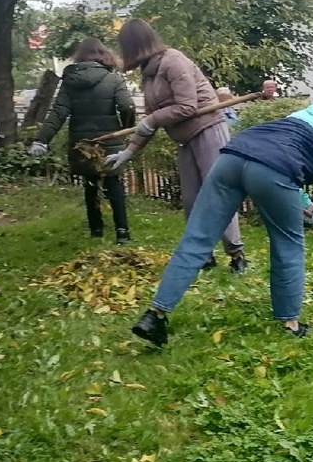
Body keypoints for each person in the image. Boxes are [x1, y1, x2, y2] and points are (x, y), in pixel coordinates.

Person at [129, 82, 313, 347]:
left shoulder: (300, 116)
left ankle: (154, 315)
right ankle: (290, 323)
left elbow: (282, 152)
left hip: (231, 158)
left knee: (197, 238)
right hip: (273, 172)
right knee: (287, 245)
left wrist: (306, 204)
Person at [106, 19, 248, 273]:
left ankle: (237, 255)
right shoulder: (148, 73)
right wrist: (129, 151)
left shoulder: (174, 61)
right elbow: (150, 120)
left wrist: (152, 119)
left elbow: (187, 106)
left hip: (208, 131)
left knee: (217, 195)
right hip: (184, 139)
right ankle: (202, 254)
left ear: (135, 45)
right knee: (192, 199)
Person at [30, 38, 136, 243]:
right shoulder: (113, 79)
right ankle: (122, 232)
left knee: (90, 184)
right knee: (113, 182)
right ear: (104, 54)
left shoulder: (70, 82)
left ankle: (96, 230)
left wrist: (42, 140)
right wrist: (126, 128)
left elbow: (58, 113)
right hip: (109, 141)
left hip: (82, 143)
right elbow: (127, 106)